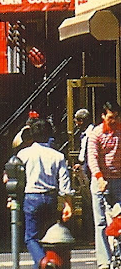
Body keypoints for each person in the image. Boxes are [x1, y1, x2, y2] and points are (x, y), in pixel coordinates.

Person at [17, 118, 73, 269]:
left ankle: (43, 261)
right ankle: (47, 262)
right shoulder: (58, 156)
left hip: (32, 197)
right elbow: (64, 181)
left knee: (31, 238)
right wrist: (68, 203)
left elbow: (12, 173)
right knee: (49, 237)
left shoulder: (24, 154)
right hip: (50, 197)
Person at [88, 100, 121, 269]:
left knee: (119, 219)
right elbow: (92, 158)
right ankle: (104, 261)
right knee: (100, 222)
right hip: (101, 180)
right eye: (110, 117)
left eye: (116, 117)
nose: (113, 121)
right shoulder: (96, 134)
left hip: (119, 180)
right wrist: (100, 178)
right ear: (103, 116)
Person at [73, 108, 94, 241]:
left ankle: (90, 234)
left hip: (89, 171)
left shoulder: (92, 134)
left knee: (89, 202)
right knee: (86, 201)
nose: (76, 124)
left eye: (78, 121)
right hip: (84, 168)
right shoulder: (84, 134)